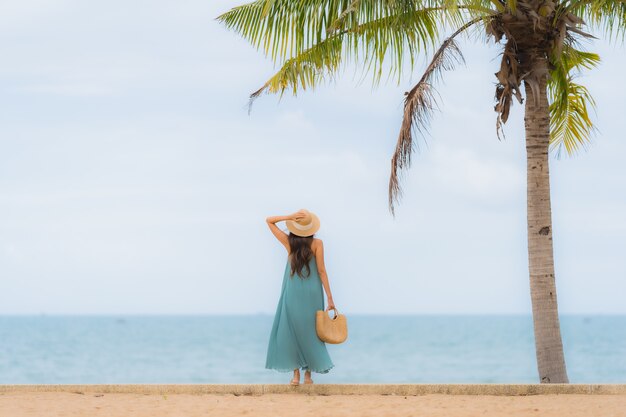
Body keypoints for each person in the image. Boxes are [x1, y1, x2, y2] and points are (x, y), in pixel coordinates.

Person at [264, 209, 336, 385]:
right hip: (312, 292)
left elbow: (269, 220)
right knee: (311, 331)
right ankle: (308, 376)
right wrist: (330, 298)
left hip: (293, 291)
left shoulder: (289, 242)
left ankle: (296, 375)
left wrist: (287, 217)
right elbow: (321, 271)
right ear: (312, 228)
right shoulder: (318, 243)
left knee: (291, 331)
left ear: (295, 226)